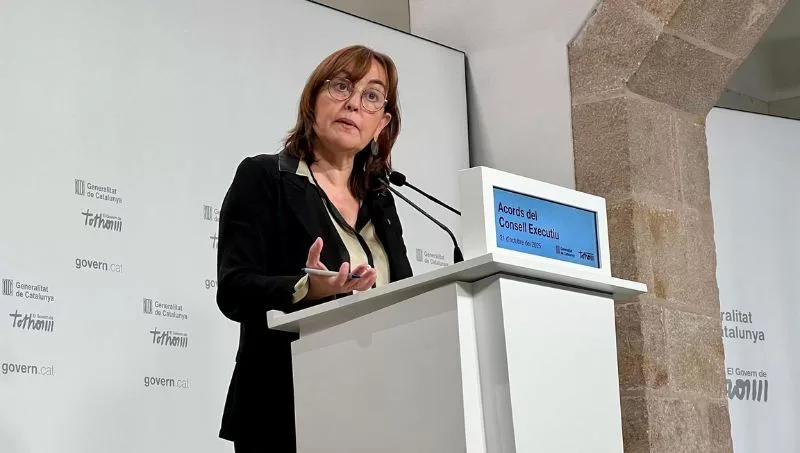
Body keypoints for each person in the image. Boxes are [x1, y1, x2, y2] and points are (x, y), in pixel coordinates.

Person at [215, 45, 413, 452]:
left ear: (382, 123)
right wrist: (307, 288)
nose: (353, 103)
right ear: (313, 99)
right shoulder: (265, 177)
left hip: (375, 410)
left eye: (372, 96)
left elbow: (403, 298)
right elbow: (234, 288)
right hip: (284, 411)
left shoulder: (381, 200)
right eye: (341, 86)